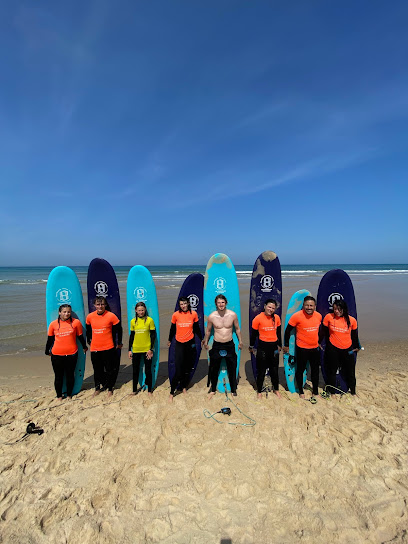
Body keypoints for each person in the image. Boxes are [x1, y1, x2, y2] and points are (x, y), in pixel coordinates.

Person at [202, 294, 243, 398]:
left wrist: (240, 341)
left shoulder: (232, 315)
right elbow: (208, 331)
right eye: (219, 302)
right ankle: (213, 389)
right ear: (216, 304)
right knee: (214, 368)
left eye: (223, 302)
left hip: (229, 344)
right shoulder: (212, 316)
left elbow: (237, 329)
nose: (221, 304)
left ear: (226, 303)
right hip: (217, 345)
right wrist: (206, 342)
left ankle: (233, 389)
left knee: (232, 367)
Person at [45, 304, 87, 400]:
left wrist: (84, 346)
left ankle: (68, 395)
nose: (66, 314)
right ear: (60, 313)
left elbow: (80, 336)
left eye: (68, 312)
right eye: (64, 312)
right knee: (58, 376)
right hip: (57, 354)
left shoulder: (76, 323)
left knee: (70, 375)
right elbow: (50, 339)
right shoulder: (53, 324)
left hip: (72, 353)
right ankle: (59, 396)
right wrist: (47, 351)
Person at [283, 296, 322, 399]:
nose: (309, 307)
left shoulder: (318, 316)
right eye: (307, 305)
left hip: (314, 348)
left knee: (315, 371)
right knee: (300, 370)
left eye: (311, 305)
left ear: (315, 306)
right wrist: (286, 345)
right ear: (303, 305)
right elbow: (287, 331)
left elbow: (320, 331)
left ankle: (315, 392)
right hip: (301, 349)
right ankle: (301, 391)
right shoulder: (297, 316)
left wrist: (320, 342)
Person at [321, 299, 360, 396]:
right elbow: (323, 332)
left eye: (339, 309)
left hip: (347, 349)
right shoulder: (328, 317)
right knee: (332, 371)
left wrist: (357, 347)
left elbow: (354, 336)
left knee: (350, 371)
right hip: (333, 348)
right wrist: (318, 343)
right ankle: (332, 392)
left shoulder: (352, 320)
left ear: (344, 309)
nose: (336, 311)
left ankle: (353, 392)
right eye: (334, 309)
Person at [86, 296, 123, 397]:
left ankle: (110, 388)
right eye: (98, 304)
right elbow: (88, 330)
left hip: (108, 347)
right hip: (95, 348)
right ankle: (97, 388)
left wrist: (119, 342)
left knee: (109, 369)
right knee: (97, 370)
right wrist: (88, 340)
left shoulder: (111, 316)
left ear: (105, 305)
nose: (100, 306)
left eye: (102, 304)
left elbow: (119, 329)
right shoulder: (90, 316)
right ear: (94, 305)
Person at [167, 297, 202, 402]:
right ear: (179, 305)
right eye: (181, 304)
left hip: (190, 343)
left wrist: (202, 339)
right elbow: (172, 328)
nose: (183, 306)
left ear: (188, 304)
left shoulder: (193, 314)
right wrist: (169, 340)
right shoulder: (176, 315)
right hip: (180, 344)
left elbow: (196, 328)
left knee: (187, 369)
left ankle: (183, 387)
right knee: (178, 369)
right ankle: (172, 392)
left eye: (185, 304)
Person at [249, 298, 282, 399]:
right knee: (261, 370)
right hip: (262, 347)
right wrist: (251, 346)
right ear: (264, 306)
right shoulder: (257, 319)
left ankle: (276, 389)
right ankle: (259, 391)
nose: (271, 309)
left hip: (274, 348)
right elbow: (253, 335)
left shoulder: (277, 318)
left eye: (273, 308)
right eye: (269, 307)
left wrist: (280, 345)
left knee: (274, 370)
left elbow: (278, 333)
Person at [128, 302, 156, 397]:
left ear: (145, 310)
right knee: (135, 370)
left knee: (148, 370)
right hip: (136, 349)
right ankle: (134, 390)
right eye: (139, 310)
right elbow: (131, 336)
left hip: (147, 350)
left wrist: (151, 349)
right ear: (136, 310)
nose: (141, 312)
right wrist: (129, 350)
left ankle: (149, 390)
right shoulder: (133, 321)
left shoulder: (149, 320)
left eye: (142, 310)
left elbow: (153, 335)